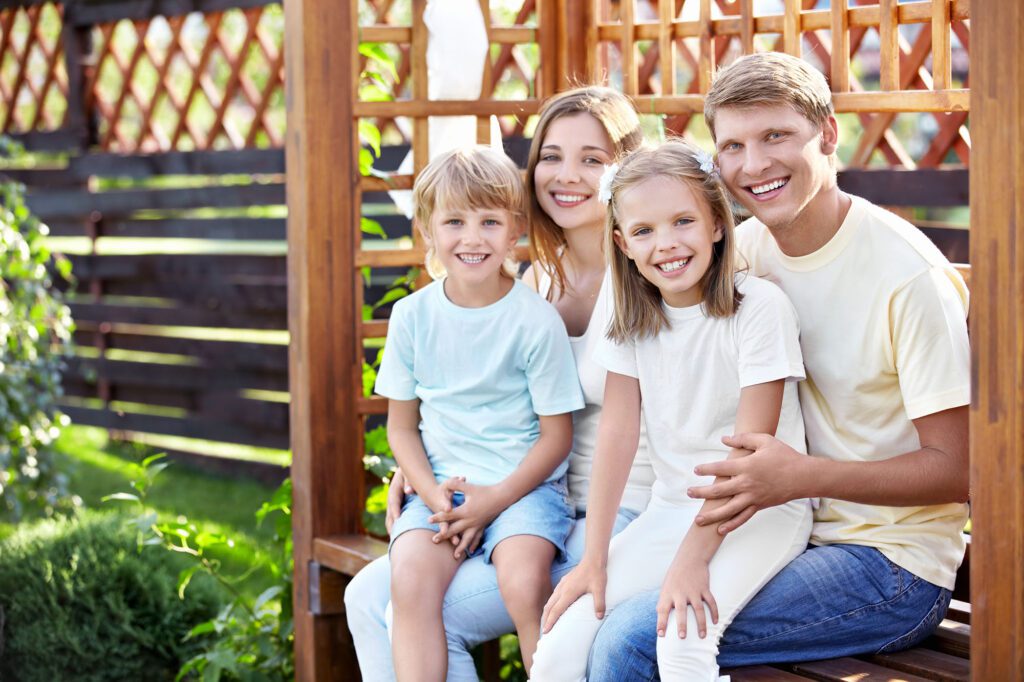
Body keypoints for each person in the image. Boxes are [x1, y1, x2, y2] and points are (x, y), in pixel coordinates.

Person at [587, 52, 971, 679]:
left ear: (827, 134)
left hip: (890, 565)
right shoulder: (747, 255)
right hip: (780, 529)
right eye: (733, 145)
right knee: (593, 611)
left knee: (635, 637)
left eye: (776, 136)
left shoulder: (907, 277)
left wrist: (801, 477)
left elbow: (957, 472)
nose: (754, 164)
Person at [344, 87, 655, 681]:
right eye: (552, 156)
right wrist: (420, 467)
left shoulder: (646, 276)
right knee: (367, 596)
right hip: (502, 488)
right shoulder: (535, 279)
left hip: (609, 510)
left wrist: (494, 497)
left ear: (625, 168)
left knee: (414, 610)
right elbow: (469, 393)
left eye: (593, 158)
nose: (568, 175)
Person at [529, 140, 812, 681]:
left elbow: (747, 462)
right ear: (622, 243)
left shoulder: (758, 310)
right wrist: (594, 559)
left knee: (682, 638)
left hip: (757, 512)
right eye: (643, 231)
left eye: (683, 221)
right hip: (670, 508)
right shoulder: (635, 321)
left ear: (717, 224)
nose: (667, 244)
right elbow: (616, 435)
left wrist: (691, 558)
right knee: (562, 642)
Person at [376, 145, 584, 679]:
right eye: (454, 221)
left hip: (522, 492)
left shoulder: (535, 321)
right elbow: (400, 427)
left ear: (514, 228)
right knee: (410, 581)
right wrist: (434, 496)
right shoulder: (411, 318)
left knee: (523, 580)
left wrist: (491, 503)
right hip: (441, 490)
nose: (473, 238)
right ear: (428, 229)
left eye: (490, 221)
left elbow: (556, 438)